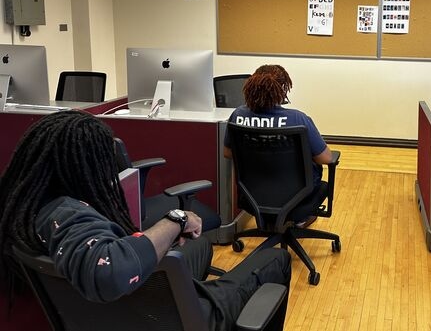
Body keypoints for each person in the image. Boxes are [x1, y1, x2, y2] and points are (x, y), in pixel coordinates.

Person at [0, 110, 291, 331]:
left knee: (198, 245)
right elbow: (111, 271)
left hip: (114, 316)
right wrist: (175, 219)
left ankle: (187, 295)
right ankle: (206, 308)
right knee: (275, 260)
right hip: (162, 320)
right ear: (86, 168)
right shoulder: (66, 215)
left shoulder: (23, 211)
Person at [222, 64, 332, 228]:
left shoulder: (238, 114)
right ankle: (299, 219)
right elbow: (326, 158)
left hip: (253, 194)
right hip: (297, 196)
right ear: (282, 90)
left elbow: (228, 153)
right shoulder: (298, 118)